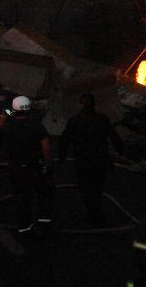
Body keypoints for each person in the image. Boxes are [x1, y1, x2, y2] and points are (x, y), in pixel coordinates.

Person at [58, 92, 126, 226]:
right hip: (100, 161)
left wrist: (62, 157)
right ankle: (96, 213)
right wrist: (122, 151)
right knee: (97, 188)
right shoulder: (102, 119)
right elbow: (114, 137)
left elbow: (64, 140)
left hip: (83, 162)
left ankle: (92, 213)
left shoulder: (75, 120)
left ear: (80, 104)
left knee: (86, 188)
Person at [0, 96, 53, 234]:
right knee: (43, 193)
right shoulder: (36, 124)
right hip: (35, 166)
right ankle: (43, 221)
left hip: (16, 168)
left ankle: (24, 227)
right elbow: (45, 148)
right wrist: (47, 163)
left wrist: (0, 122)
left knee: (22, 197)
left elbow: (7, 114)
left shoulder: (8, 127)